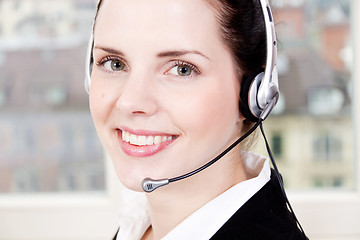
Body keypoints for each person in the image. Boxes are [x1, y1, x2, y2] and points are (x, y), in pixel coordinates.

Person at [85, 0, 309, 239]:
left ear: (255, 91)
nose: (130, 102)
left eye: (182, 69)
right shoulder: (137, 224)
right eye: (114, 63)